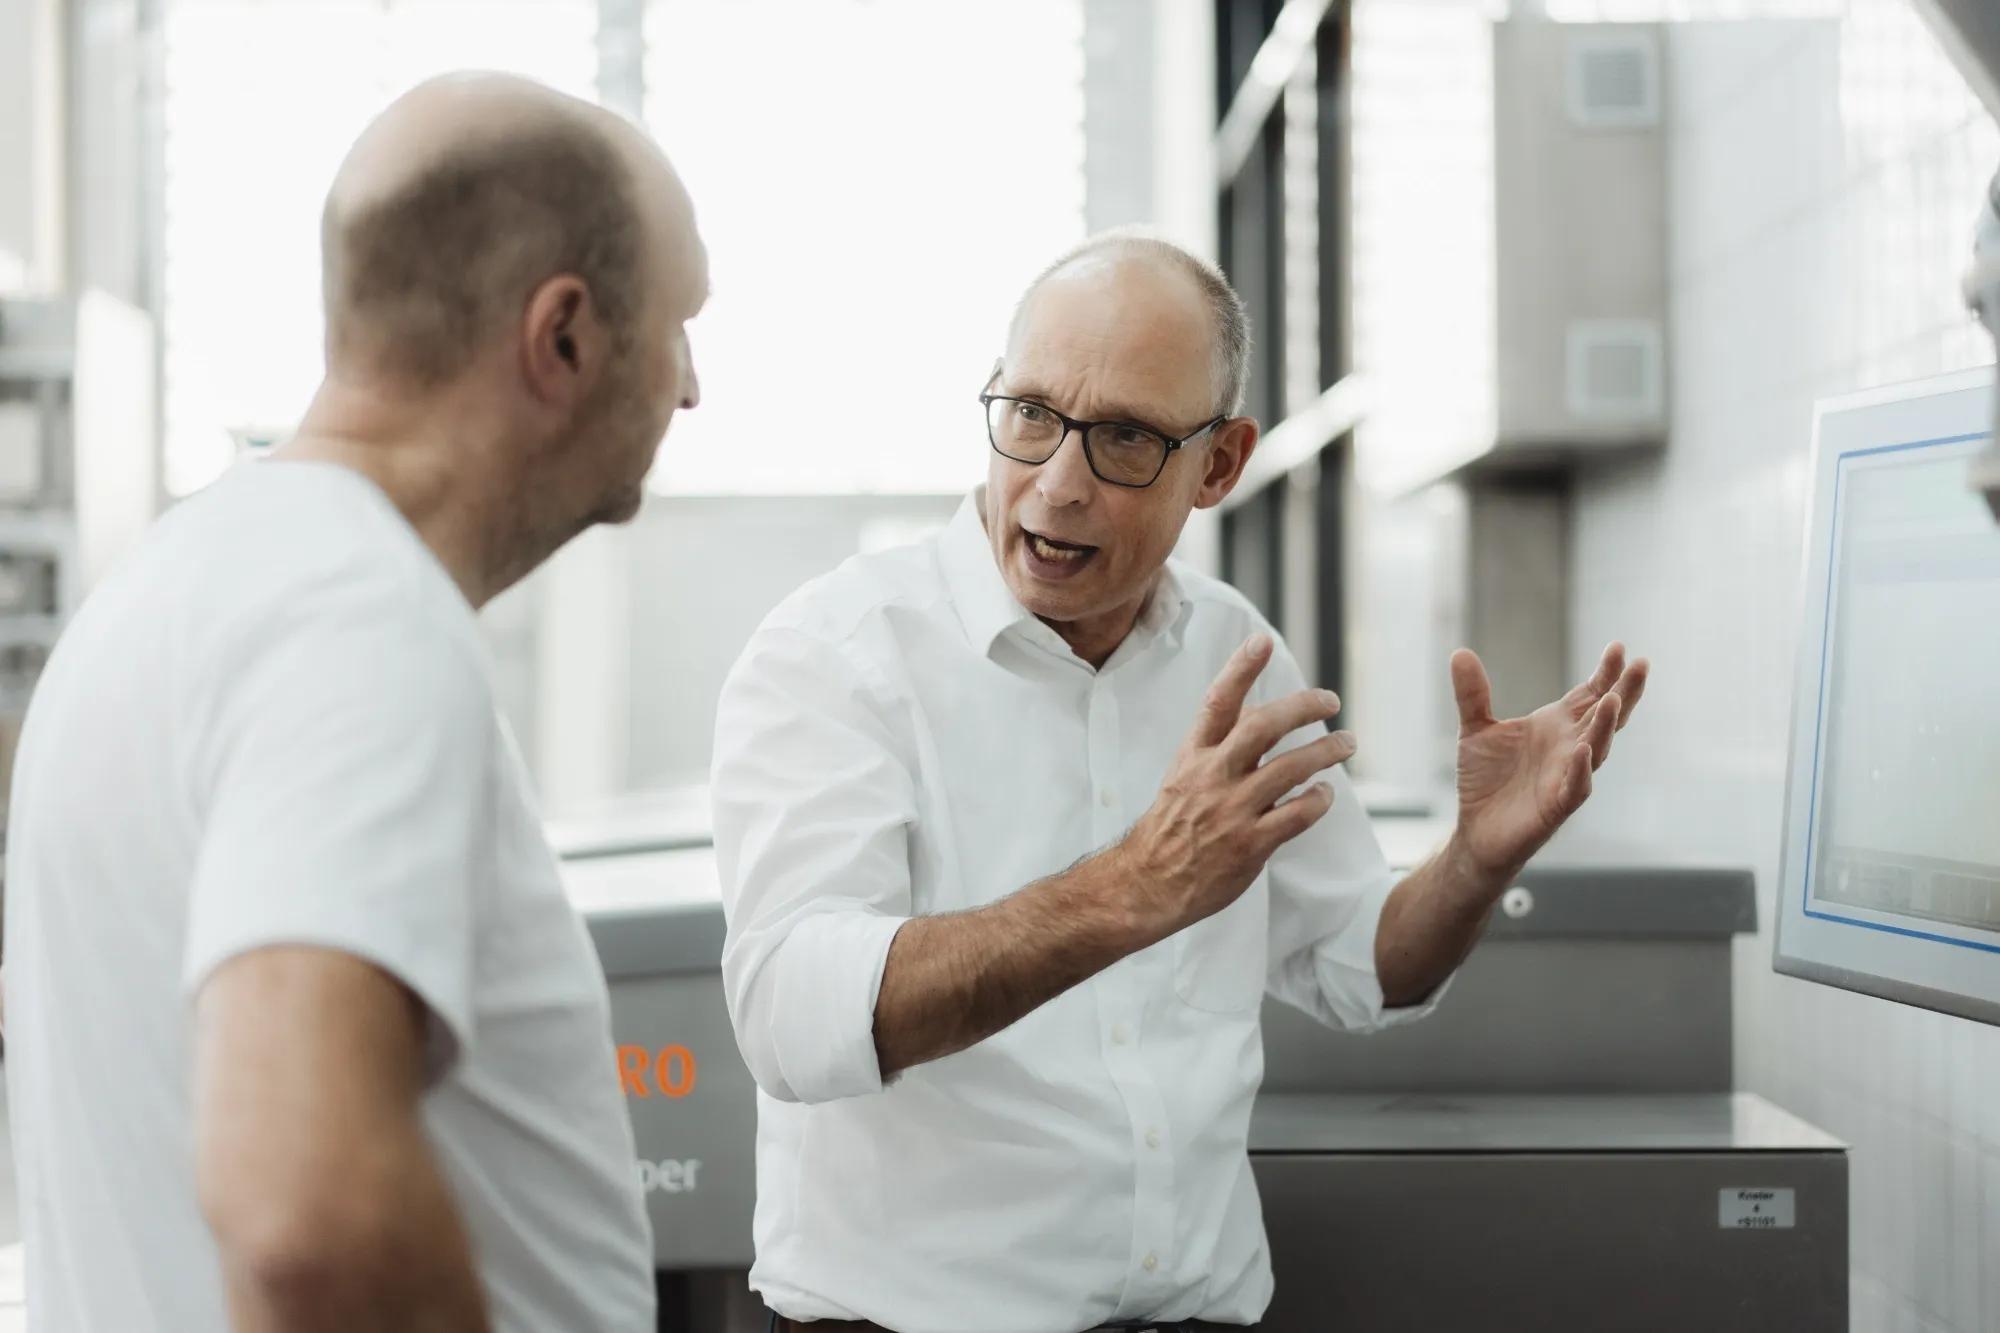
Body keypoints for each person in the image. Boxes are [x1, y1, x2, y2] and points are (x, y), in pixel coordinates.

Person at [711, 231, 1646, 1333]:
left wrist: (1472, 861)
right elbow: (787, 1017)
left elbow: (1361, 965)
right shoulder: (837, 649)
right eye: (1029, 415)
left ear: (1218, 464)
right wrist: (1128, 890)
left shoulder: (1229, 648)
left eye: (1120, 439)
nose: (1057, 484)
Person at [3, 71, 706, 1332]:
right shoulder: (355, 612)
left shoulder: (167, 591)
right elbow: (307, 1224)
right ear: (564, 338)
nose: (690, 386)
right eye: (678, 325)